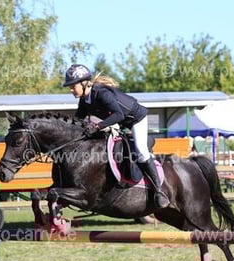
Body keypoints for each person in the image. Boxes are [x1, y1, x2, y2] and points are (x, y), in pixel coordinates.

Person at [62, 63, 170, 208]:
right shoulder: (85, 100)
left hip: (135, 119)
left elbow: (119, 114)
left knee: (141, 151)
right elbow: (77, 121)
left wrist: (98, 126)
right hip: (121, 123)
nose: (71, 89)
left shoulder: (101, 94)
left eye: (72, 86)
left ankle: (159, 191)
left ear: (84, 83)